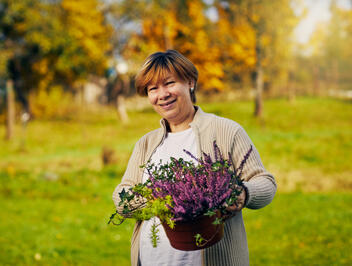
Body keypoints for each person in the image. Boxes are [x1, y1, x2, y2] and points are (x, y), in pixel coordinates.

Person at [112, 50, 276, 266]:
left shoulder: (226, 131)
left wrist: (243, 194)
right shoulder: (146, 144)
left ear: (190, 81)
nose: (162, 94)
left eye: (169, 83)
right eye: (153, 88)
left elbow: (265, 183)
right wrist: (158, 202)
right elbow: (122, 196)